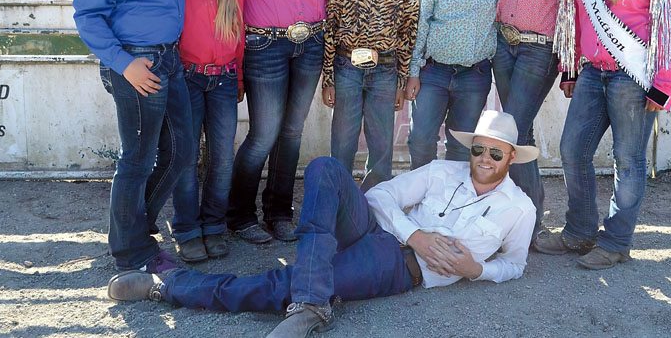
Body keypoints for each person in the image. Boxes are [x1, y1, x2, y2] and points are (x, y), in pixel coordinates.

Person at [106, 110, 538, 338]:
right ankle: (312, 301)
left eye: (495, 154)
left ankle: (170, 286)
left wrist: (477, 270)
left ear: (511, 158)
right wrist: (416, 234)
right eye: (478, 149)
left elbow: (515, 264)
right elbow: (379, 196)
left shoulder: (519, 209)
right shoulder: (444, 170)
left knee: (281, 284)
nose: (483, 159)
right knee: (326, 168)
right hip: (385, 232)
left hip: (400, 267)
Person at [539, 0, 671, 269]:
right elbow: (575, 17)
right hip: (591, 71)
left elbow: (668, 26)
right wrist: (569, 67)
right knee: (573, 150)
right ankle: (580, 232)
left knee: (629, 159)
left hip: (633, 77)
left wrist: (663, 84)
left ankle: (616, 241)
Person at [72, 0, 191, 274]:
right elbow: (87, 15)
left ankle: (134, 226)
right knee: (138, 159)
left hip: (166, 57)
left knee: (180, 152)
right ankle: (131, 251)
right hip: (137, 60)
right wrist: (125, 65)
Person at [225, 0, 340, 244]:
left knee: (292, 132)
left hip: (309, 43)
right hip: (264, 44)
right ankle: (239, 214)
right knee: (264, 133)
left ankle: (278, 212)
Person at [488, 0, 586, 234]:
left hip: (540, 47)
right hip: (502, 41)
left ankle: (529, 218)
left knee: (512, 127)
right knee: (518, 129)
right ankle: (521, 214)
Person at [166, 0, 248, 262]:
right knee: (184, 157)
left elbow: (240, 35)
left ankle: (214, 225)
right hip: (187, 77)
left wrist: (240, 75)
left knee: (221, 158)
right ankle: (186, 228)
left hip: (225, 79)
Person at [323, 0, 419, 191]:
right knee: (343, 138)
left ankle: (377, 199)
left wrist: (402, 81)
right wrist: (328, 79)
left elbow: (407, 34)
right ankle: (339, 197)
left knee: (381, 141)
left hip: (385, 70)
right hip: (346, 67)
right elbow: (330, 29)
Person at [405, 0, 502, 169]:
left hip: (474, 74)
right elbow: (420, 24)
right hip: (434, 72)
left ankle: (452, 200)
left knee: (461, 143)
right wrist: (413, 71)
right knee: (421, 139)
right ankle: (421, 195)